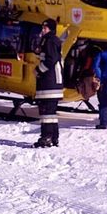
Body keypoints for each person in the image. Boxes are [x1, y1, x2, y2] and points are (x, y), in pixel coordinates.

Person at [33, 18, 64, 148]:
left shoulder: (50, 40)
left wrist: (38, 70)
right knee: (50, 112)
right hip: (50, 82)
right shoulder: (49, 40)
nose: (42, 30)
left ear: (50, 29)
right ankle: (53, 137)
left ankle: (47, 137)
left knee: (47, 112)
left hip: (49, 83)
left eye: (45, 28)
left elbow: (51, 59)